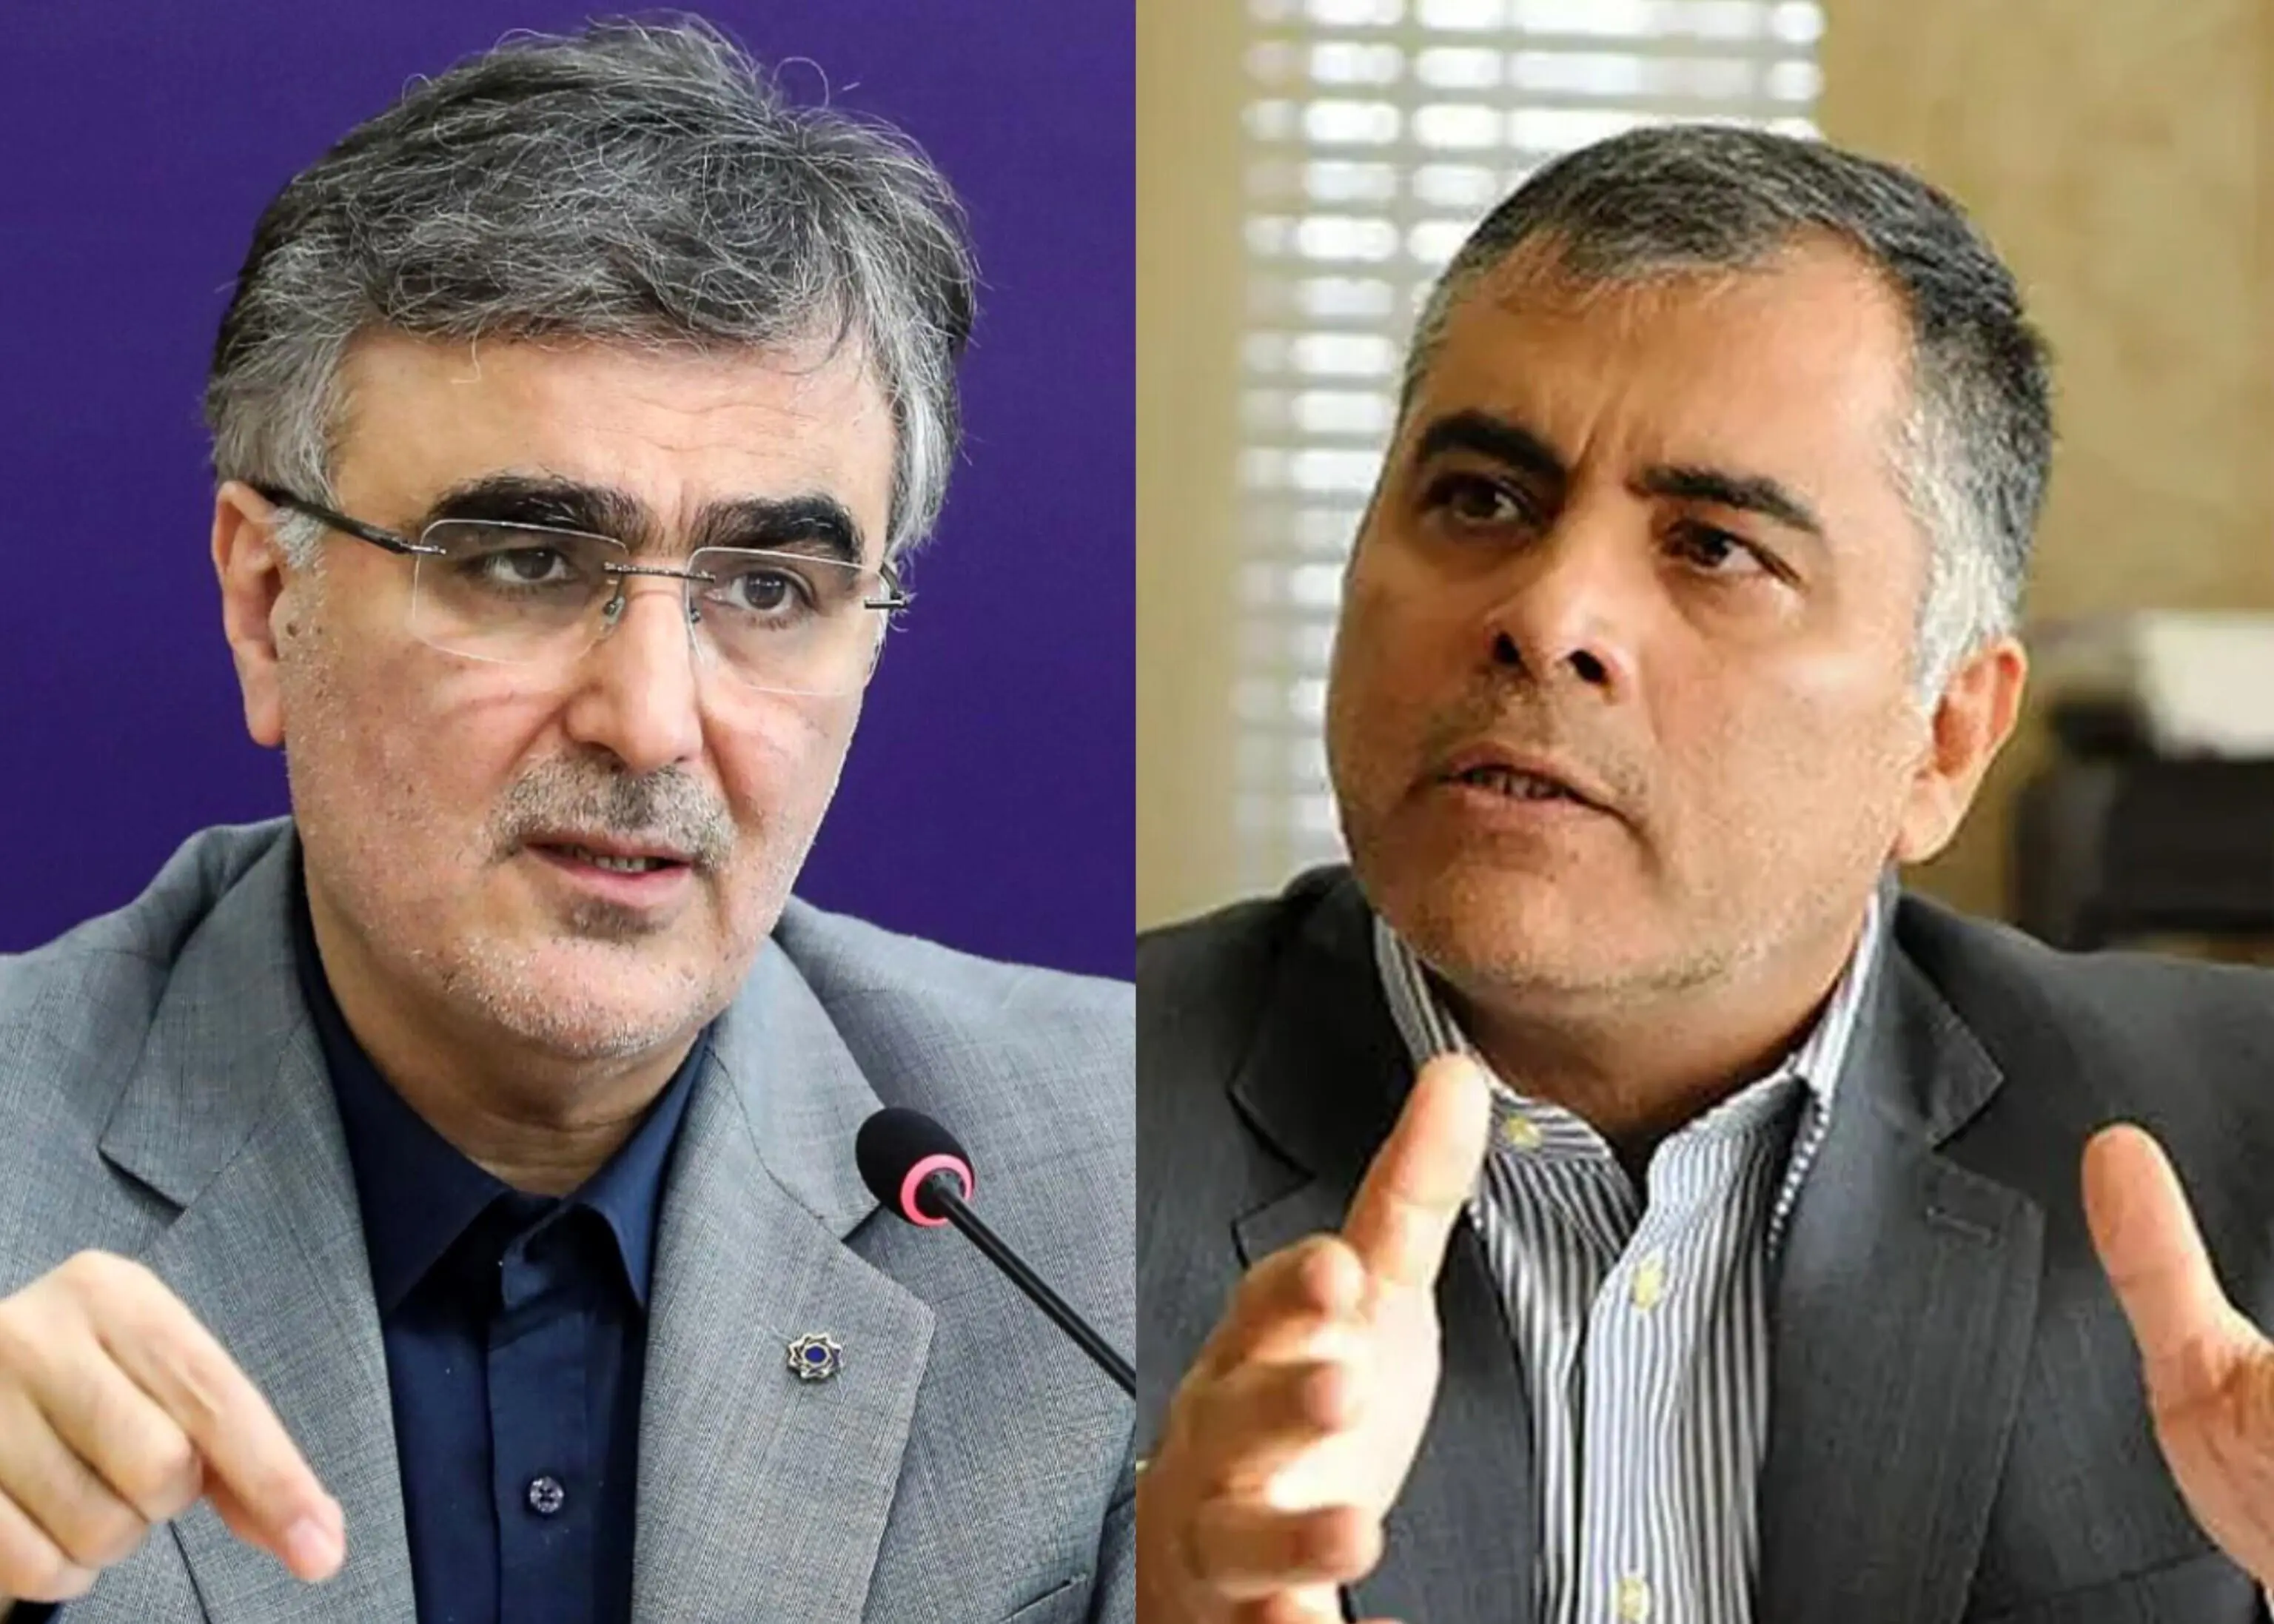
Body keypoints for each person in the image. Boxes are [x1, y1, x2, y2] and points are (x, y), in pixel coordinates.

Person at [0, 20, 1131, 1624]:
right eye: (526, 563)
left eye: (768, 589)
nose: (652, 721)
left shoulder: (1110, 1194)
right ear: (267, 604)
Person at [1136, 124, 2274, 1623]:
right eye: (1482, 498)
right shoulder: (1037, 1153)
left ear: (1945, 737)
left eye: (1717, 548)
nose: (1550, 614)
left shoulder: (2243, 1139)